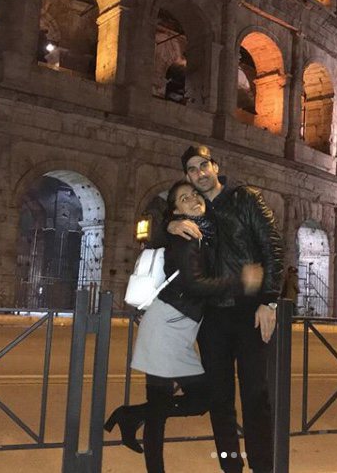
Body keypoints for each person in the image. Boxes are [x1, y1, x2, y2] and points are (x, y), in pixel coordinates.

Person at [105, 181, 262, 473]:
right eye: (183, 198)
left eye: (195, 195)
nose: (193, 199)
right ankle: (129, 418)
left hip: (174, 325)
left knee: (162, 404)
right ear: (175, 209)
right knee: (198, 398)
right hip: (167, 326)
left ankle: (133, 424)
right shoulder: (185, 235)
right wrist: (240, 281)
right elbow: (194, 283)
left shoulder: (201, 231)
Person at [169, 145, 284, 473]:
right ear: (188, 177)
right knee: (220, 400)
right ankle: (231, 467)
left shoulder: (245, 198)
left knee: (255, 398)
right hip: (213, 318)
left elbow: (272, 244)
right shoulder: (195, 214)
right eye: (191, 169)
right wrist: (170, 226)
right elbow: (159, 238)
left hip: (249, 312)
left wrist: (269, 299)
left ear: (215, 166)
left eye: (203, 165)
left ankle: (263, 467)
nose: (199, 173)